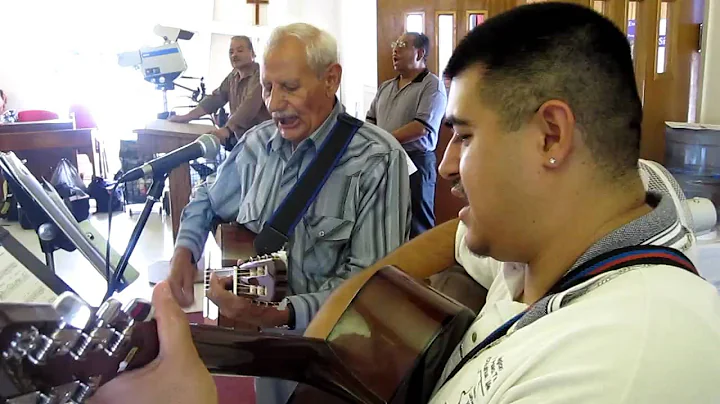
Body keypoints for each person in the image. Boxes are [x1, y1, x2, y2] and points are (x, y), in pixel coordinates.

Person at [91, 4, 720, 404]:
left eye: (464, 137)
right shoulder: (540, 248)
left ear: (551, 137)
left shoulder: (620, 366)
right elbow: (446, 241)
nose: (445, 167)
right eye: (267, 86)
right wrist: (338, 301)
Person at [168, 22, 410, 403]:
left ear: (331, 79)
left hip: (335, 364)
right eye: (267, 87)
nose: (274, 103)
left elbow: (373, 289)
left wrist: (281, 313)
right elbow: (207, 199)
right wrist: (186, 249)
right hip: (268, 358)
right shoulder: (255, 145)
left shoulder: (377, 159)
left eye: (289, 88)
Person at [367, 32, 447, 238]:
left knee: (418, 222)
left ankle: (422, 270)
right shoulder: (386, 87)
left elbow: (421, 127)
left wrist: (383, 140)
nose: (395, 50)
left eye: (402, 45)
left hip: (417, 162)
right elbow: (370, 121)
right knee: (388, 220)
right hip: (386, 161)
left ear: (420, 53)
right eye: (395, 44)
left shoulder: (432, 85)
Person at [169, 36, 271, 142]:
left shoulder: (261, 75)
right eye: (231, 52)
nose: (234, 55)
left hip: (264, 141)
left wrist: (227, 129)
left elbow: (249, 106)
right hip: (243, 140)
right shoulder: (233, 76)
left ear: (252, 53)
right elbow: (216, 98)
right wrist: (187, 117)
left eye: (240, 50)